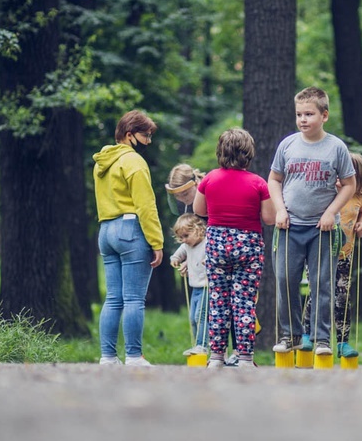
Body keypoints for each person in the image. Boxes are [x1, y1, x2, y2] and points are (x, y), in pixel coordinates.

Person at [268, 86, 357, 356]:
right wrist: (280, 210)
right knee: (285, 280)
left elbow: (350, 185)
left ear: (324, 115)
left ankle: (321, 339)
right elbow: (274, 179)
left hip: (323, 229)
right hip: (289, 226)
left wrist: (331, 212)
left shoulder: (336, 147)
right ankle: (290, 334)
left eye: (309, 114)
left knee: (322, 284)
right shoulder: (288, 145)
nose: (303, 119)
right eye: (299, 114)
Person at [193, 128, 275, 368]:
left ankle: (216, 357)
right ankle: (245, 357)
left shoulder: (210, 179)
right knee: (244, 302)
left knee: (218, 301)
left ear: (220, 151)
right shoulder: (258, 183)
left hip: (217, 242)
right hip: (248, 245)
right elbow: (269, 218)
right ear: (248, 153)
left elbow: (199, 211)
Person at [93, 110, 163, 367]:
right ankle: (134, 356)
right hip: (130, 229)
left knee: (113, 297)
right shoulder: (133, 162)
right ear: (130, 134)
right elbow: (146, 206)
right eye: (146, 135)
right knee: (133, 298)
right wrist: (157, 242)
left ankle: (108, 357)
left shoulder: (103, 161)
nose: (149, 141)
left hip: (106, 230)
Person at [301, 152, 362, 358]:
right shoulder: (328, 191)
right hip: (320, 252)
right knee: (317, 293)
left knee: (342, 298)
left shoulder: (360, 196)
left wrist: (361, 223)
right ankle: (307, 335)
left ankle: (342, 343)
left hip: (345, 255)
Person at [170, 213, 209, 356]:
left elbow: (214, 255)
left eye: (186, 236)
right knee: (192, 317)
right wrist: (175, 259)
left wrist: (209, 260)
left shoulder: (207, 242)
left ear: (198, 229)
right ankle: (196, 344)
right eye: (181, 238)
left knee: (201, 315)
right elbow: (177, 254)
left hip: (207, 287)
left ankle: (202, 345)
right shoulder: (187, 246)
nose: (184, 240)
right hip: (195, 288)